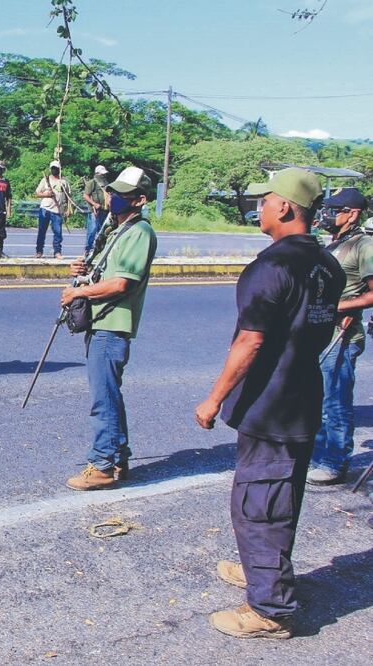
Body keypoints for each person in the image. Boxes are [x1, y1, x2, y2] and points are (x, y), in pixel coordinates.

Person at [194, 167, 343, 640]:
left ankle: (270, 609)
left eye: (265, 200)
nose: (259, 207)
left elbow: (251, 341)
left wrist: (213, 399)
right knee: (282, 494)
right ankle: (262, 569)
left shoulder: (272, 267)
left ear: (284, 207)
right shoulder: (328, 265)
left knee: (259, 502)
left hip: (271, 401)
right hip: (302, 394)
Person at [60, 166, 157, 491]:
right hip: (102, 322)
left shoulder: (139, 232)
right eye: (112, 191)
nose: (113, 197)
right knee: (110, 396)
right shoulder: (117, 230)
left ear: (140, 200)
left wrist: (79, 292)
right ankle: (118, 457)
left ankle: (102, 464)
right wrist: (84, 271)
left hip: (113, 326)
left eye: (121, 194)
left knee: (103, 399)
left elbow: (121, 283)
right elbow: (105, 273)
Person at [307, 188, 373, 484]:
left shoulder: (364, 246)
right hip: (316, 331)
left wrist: (340, 307)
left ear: (353, 214)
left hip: (342, 334)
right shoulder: (330, 244)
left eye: (335, 210)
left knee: (334, 399)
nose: (327, 215)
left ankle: (335, 461)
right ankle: (318, 455)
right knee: (315, 397)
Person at [36, 160, 71, 259]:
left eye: (56, 168)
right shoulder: (45, 180)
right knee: (42, 231)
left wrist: (67, 209)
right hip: (45, 209)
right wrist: (46, 194)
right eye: (52, 168)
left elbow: (68, 196)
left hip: (57, 210)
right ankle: (39, 251)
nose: (54, 170)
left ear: (59, 169)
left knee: (58, 232)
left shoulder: (64, 182)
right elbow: (37, 193)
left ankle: (57, 252)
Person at [83, 165, 110, 255]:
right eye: (102, 174)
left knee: (102, 230)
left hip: (105, 210)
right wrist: (94, 204)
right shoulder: (92, 183)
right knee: (92, 230)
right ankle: (88, 249)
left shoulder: (106, 183)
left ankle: (100, 248)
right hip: (95, 211)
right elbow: (86, 195)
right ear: (97, 174)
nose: (104, 176)